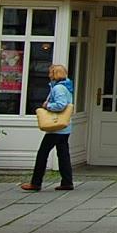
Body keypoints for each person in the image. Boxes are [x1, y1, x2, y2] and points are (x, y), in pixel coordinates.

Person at [21, 63, 75, 191]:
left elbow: (61, 105)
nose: (48, 74)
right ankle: (67, 181)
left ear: (55, 74)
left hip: (56, 127)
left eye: (50, 72)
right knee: (63, 154)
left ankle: (36, 182)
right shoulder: (67, 87)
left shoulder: (58, 88)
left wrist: (47, 106)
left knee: (42, 153)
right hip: (64, 127)